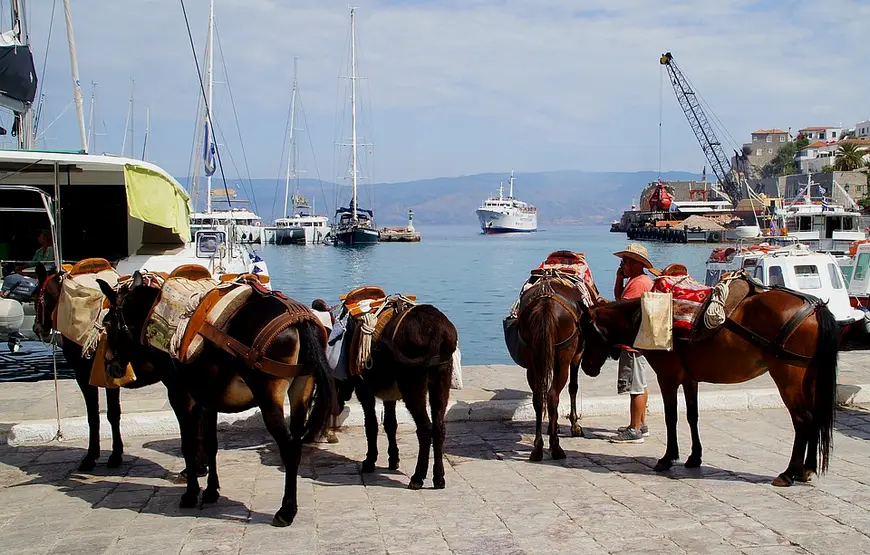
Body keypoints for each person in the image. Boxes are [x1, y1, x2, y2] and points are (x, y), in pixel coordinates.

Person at [610, 243, 659, 444]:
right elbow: (620, 298)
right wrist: (619, 278)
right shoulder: (639, 280)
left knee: (635, 387)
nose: (623, 265)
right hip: (640, 342)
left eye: (625, 262)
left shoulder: (639, 283)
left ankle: (634, 429)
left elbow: (621, 307)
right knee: (641, 383)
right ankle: (641, 423)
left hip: (632, 344)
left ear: (636, 264)